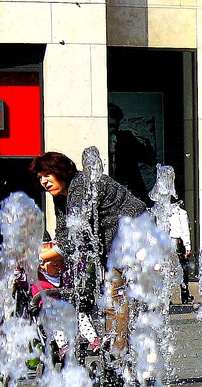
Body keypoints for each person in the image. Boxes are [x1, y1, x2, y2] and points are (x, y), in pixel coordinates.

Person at [29, 150, 147, 364]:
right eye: (40, 178)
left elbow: (80, 232)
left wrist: (44, 254)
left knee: (117, 299)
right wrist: (51, 256)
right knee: (113, 299)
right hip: (114, 247)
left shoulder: (82, 185)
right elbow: (65, 234)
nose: (44, 182)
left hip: (134, 237)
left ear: (60, 171)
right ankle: (119, 357)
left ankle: (119, 359)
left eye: (47, 175)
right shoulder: (61, 198)